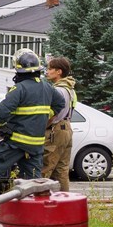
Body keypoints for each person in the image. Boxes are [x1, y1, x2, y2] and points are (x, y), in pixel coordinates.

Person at [0, 49, 66, 198]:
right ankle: (31, 206)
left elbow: (2, 113)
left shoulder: (19, 89)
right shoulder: (47, 87)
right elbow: (60, 103)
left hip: (17, 142)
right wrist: (47, 115)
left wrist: (0, 128)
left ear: (19, 70)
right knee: (32, 179)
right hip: (36, 145)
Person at [41, 56, 77, 191]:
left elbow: (53, 113)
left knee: (46, 167)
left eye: (50, 69)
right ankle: (64, 201)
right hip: (66, 128)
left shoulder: (58, 90)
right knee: (61, 170)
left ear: (59, 72)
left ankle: (37, 201)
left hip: (55, 130)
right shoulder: (69, 88)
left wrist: (42, 127)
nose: (47, 72)